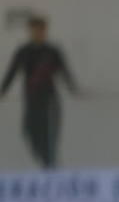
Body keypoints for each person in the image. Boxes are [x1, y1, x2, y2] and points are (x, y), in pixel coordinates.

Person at [0, 17, 78, 169]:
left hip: (50, 101)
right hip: (31, 100)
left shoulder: (53, 51)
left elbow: (65, 72)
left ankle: (51, 168)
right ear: (30, 31)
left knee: (49, 138)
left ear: (45, 30)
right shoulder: (23, 51)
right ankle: (48, 165)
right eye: (34, 30)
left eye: (41, 30)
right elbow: (12, 72)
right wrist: (3, 90)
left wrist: (73, 89)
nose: (38, 33)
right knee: (29, 132)